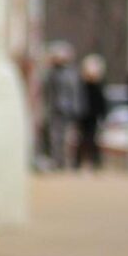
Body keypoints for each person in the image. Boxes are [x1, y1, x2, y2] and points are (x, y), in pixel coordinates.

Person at [40, 42, 81, 170]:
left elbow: (74, 92)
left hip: (67, 110)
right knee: (54, 136)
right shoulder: (50, 73)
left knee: (67, 138)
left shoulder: (71, 74)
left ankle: (64, 161)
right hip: (53, 109)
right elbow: (45, 91)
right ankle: (56, 160)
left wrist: (76, 109)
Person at [75, 54, 109, 171]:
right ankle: (78, 163)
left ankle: (95, 162)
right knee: (81, 139)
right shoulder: (81, 86)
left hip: (93, 116)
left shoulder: (98, 87)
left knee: (93, 139)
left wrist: (103, 114)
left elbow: (102, 103)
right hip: (82, 115)